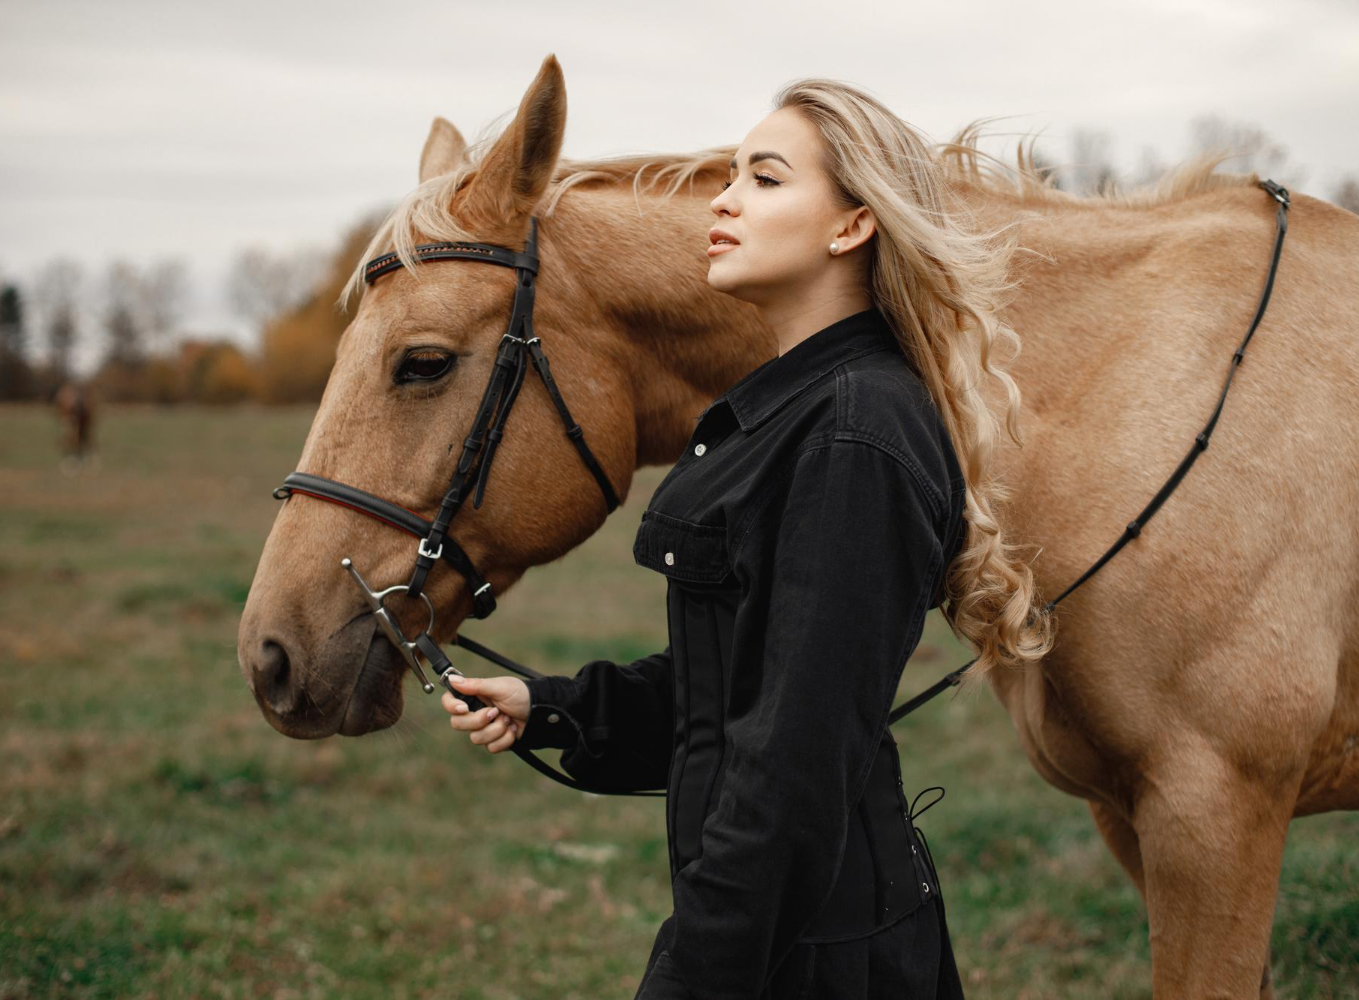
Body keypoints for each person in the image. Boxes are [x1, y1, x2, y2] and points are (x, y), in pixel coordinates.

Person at [440, 78, 1055, 999]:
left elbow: (793, 774)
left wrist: (693, 978)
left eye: (764, 180)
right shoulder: (790, 409)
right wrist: (558, 706)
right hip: (779, 926)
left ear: (851, 227)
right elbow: (741, 688)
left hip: (816, 952)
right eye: (731, 174)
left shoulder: (854, 433)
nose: (722, 199)